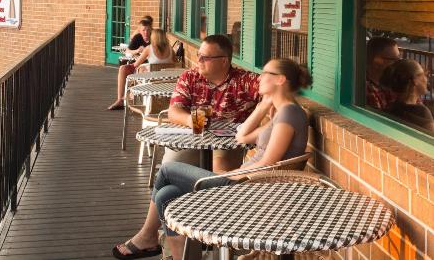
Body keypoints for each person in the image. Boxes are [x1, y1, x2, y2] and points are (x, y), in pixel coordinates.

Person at [112, 58, 312, 260]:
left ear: (280, 80)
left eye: (266, 73)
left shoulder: (290, 113)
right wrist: (263, 106)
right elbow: (241, 137)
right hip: (245, 182)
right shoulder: (281, 113)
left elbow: (268, 164)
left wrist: (232, 174)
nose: (259, 77)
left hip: (248, 187)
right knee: (166, 195)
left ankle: (147, 236)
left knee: (167, 171)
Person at [164, 34, 260, 171]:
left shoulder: (244, 81)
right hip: (193, 138)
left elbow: (274, 86)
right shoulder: (190, 77)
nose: (199, 60)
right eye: (199, 55)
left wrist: (266, 106)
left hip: (227, 143)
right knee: (170, 167)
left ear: (224, 61)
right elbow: (173, 111)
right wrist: (189, 120)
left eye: (205, 57)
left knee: (218, 172)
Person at [381, 59, 434, 133]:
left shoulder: (391, 108)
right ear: (415, 80)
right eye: (424, 75)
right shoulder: (421, 112)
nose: (426, 79)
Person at [107, 18, 152, 110]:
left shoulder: (155, 38)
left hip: (148, 67)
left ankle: (133, 97)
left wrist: (145, 54)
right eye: (143, 30)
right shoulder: (138, 37)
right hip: (138, 64)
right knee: (123, 68)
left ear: (151, 29)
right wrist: (137, 50)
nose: (146, 32)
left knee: (139, 71)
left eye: (148, 30)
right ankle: (120, 100)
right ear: (140, 30)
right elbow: (128, 50)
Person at [365, 36, 400, 110]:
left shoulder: (392, 80)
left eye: (399, 59)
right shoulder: (367, 90)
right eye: (394, 59)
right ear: (377, 62)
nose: (398, 63)